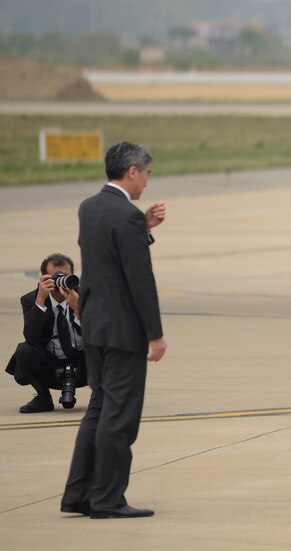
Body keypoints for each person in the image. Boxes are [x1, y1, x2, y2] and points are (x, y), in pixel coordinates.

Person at [61, 141, 167, 519]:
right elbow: (140, 279)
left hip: (94, 325)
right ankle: (107, 498)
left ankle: (78, 494)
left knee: (100, 409)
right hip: (123, 330)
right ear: (132, 170)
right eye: (147, 174)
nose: (146, 183)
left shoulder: (90, 207)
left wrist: (142, 225)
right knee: (120, 415)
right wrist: (154, 333)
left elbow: (104, 251)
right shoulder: (125, 215)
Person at [5, 254, 87, 413]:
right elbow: (31, 337)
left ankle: (104, 396)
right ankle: (43, 398)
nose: (60, 282)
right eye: (55, 277)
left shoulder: (85, 295)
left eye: (65, 276)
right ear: (43, 278)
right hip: (50, 366)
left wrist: (78, 308)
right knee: (24, 350)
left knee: (110, 346)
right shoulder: (31, 299)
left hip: (86, 364)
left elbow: (100, 335)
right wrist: (40, 301)